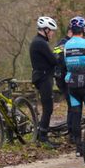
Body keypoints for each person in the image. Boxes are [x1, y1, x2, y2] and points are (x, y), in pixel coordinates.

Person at [63, 16, 85, 150]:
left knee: (76, 116)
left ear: (71, 30)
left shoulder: (66, 45)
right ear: (83, 30)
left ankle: (79, 148)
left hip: (72, 85)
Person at [29, 16, 60, 148]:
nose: (52, 33)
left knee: (48, 106)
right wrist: (59, 55)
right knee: (48, 107)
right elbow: (53, 60)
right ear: (46, 29)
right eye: (51, 31)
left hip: (41, 76)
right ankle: (43, 136)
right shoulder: (40, 43)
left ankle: (42, 134)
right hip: (43, 77)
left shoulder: (38, 41)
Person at [52, 26, 73, 140]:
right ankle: (72, 132)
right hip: (65, 78)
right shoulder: (67, 44)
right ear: (70, 32)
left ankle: (72, 131)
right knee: (72, 105)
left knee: (71, 105)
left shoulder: (61, 43)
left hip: (60, 78)